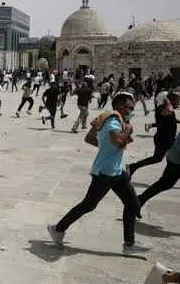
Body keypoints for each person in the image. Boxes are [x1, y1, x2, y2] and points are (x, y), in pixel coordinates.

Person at [48, 93, 150, 254]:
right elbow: (117, 139)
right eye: (129, 107)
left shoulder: (111, 119)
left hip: (114, 171)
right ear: (119, 106)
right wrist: (128, 131)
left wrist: (104, 147)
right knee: (90, 205)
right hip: (107, 173)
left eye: (133, 107)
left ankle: (129, 244)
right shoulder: (113, 121)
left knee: (130, 203)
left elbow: (91, 139)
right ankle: (58, 229)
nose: (132, 110)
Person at [128, 92, 179, 176]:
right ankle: (133, 166)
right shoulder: (162, 108)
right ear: (170, 100)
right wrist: (168, 101)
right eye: (177, 100)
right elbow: (168, 112)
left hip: (170, 139)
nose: (178, 102)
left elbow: (169, 120)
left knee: (166, 158)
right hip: (163, 139)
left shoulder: (168, 108)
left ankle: (133, 167)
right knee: (157, 158)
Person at [136, 132, 180, 219]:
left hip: (175, 158)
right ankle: (139, 201)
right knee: (164, 184)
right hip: (176, 161)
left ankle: (139, 200)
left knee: (164, 184)